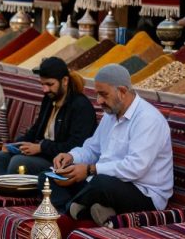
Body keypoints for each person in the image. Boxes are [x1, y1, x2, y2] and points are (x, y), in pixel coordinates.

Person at [46, 64, 173, 225]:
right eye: (97, 94)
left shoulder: (148, 119)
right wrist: (71, 157)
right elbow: (92, 149)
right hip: (105, 182)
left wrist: (90, 169)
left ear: (122, 92)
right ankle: (90, 210)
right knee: (48, 177)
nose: (99, 101)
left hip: (143, 193)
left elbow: (135, 167)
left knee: (100, 183)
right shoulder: (111, 114)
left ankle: (70, 211)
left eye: (103, 94)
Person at [0, 57, 97, 180]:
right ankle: (2, 190)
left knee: (18, 162)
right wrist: (15, 145)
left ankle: (14, 191)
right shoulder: (49, 99)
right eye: (42, 84)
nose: (45, 89)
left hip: (60, 161)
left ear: (65, 81)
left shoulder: (81, 106)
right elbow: (36, 129)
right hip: (43, 153)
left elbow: (76, 145)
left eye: (50, 84)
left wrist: (41, 148)